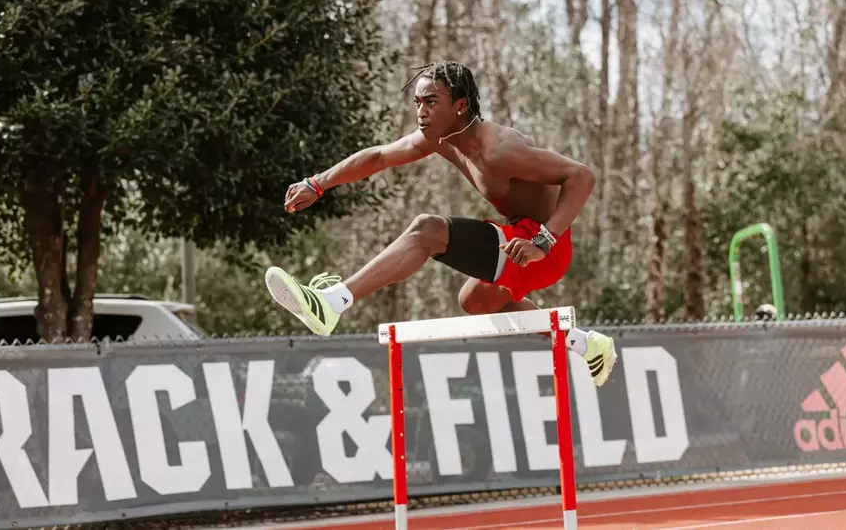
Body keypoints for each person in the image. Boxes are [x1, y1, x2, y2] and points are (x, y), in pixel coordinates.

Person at [264, 61, 617, 386]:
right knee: (475, 301)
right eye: (418, 102)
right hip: (518, 239)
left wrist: (543, 241)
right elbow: (380, 156)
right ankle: (586, 345)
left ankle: (332, 302)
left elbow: (581, 176)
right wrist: (318, 183)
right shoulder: (441, 140)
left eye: (431, 102)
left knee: (427, 230)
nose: (421, 112)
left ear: (460, 105)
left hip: (543, 247)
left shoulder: (499, 149)